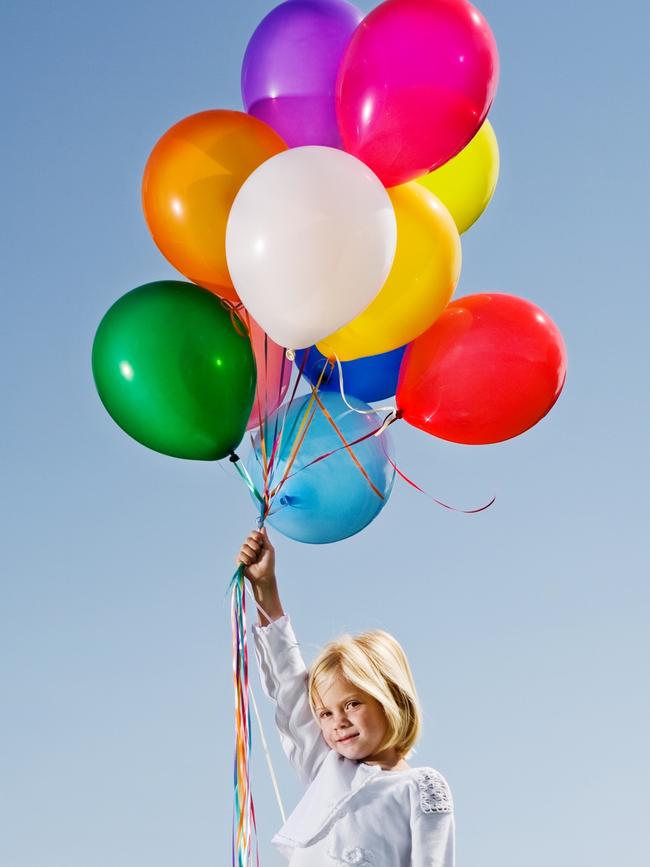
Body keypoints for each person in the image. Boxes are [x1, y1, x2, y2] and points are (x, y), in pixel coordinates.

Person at [237, 528, 455, 866]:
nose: (338, 721)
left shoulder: (419, 786)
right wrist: (265, 588)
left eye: (352, 704)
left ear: (391, 699)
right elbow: (289, 683)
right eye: (324, 713)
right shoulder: (327, 766)